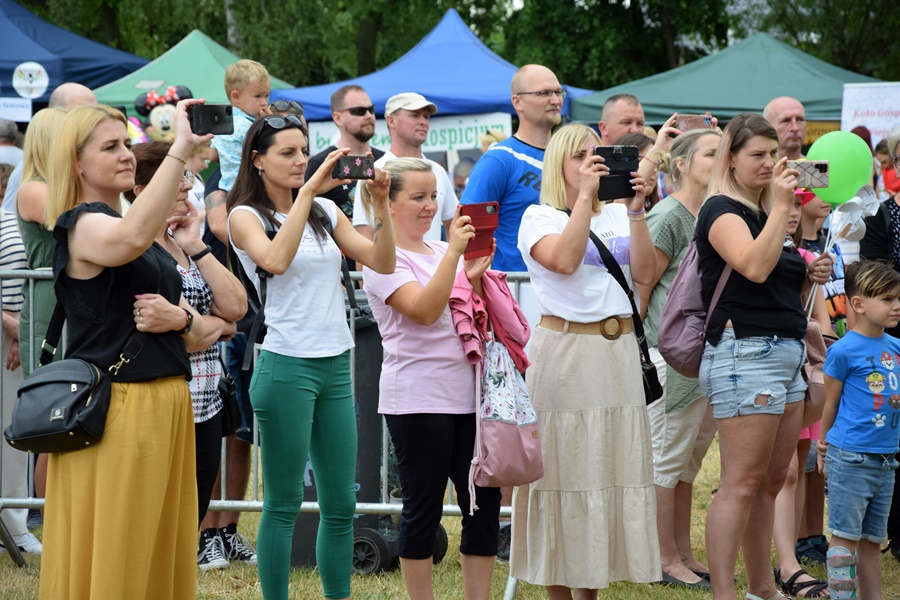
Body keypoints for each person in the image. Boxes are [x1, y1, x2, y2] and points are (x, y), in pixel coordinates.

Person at [40, 101, 211, 599]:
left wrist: (179, 318)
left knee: (160, 546)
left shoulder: (140, 235)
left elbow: (204, 331)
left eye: (125, 144)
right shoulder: (83, 224)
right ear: (76, 162)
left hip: (166, 401)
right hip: (119, 409)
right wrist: (180, 146)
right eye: (109, 147)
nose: (125, 156)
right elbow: (130, 235)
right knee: (122, 548)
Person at [227, 113, 396, 600]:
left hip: (334, 365)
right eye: (287, 153)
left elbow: (381, 262)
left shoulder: (325, 210)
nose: (301, 161)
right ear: (257, 161)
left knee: (342, 504)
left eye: (304, 150)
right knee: (281, 504)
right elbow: (275, 261)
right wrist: (306, 196)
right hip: (285, 365)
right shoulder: (245, 216)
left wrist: (380, 206)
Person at [511, 123, 660, 597]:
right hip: (568, 356)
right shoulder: (539, 216)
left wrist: (636, 211)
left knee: (607, 472)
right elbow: (564, 261)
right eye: (579, 156)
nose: (590, 163)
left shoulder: (617, 214)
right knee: (565, 476)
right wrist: (583, 200)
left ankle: (592, 589)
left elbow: (645, 273)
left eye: (597, 154)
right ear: (558, 164)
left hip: (616, 356)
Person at [695, 113, 830, 600]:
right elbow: (752, 266)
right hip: (744, 353)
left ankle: (762, 589)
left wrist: (809, 272)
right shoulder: (721, 210)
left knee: (774, 480)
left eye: (774, 154)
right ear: (730, 158)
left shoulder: (761, 211)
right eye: (757, 155)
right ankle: (725, 595)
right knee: (741, 482)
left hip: (784, 352)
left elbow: (773, 278)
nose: (770, 164)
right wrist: (781, 206)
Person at [362, 157, 504, 599]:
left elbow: (468, 315)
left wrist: (476, 278)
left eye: (434, 196)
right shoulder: (382, 259)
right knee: (422, 508)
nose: (430, 207)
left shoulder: (445, 252)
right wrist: (458, 258)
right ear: (388, 203)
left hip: (469, 395)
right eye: (417, 197)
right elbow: (423, 312)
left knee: (483, 507)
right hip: (418, 398)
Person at [126, 141, 247, 531]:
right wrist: (220, 328)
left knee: (191, 517)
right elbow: (194, 335)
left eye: (186, 177)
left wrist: (195, 244)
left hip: (206, 403)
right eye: (176, 179)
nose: (187, 186)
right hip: (166, 402)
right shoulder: (138, 248)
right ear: (143, 191)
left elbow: (237, 308)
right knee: (159, 522)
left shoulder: (181, 241)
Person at [636, 129, 721, 590]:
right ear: (682, 164)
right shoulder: (667, 215)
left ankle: (682, 550)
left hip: (700, 358)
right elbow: (644, 289)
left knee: (688, 462)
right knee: (666, 461)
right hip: (669, 356)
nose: (720, 159)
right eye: (711, 152)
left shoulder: (711, 212)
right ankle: (663, 558)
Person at [817, 259, 900, 600]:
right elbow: (831, 403)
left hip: (886, 460)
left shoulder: (895, 348)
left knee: (872, 541)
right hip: (850, 457)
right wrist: (822, 444)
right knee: (844, 541)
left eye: (898, 298)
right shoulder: (842, 350)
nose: (896, 306)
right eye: (888, 299)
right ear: (858, 304)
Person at [462, 64, 562, 272]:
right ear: (518, 101)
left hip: (566, 290)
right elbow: (467, 227)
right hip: (517, 292)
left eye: (558, 92)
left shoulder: (568, 157)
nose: (555, 100)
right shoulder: (499, 160)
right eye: (544, 93)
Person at [352, 92, 456, 241]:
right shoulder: (375, 171)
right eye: (415, 115)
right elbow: (365, 235)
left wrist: (456, 262)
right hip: (394, 264)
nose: (423, 122)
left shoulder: (437, 170)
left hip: (438, 264)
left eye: (426, 117)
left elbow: (453, 225)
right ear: (391, 120)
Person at [0, 206, 42, 556]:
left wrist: (15, 325)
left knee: (9, 432)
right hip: (8, 327)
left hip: (8, 334)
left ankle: (13, 526)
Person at [3, 82, 97, 212]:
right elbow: (10, 222)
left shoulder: (91, 161)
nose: (90, 121)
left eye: (94, 113)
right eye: (80, 114)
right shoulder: (28, 172)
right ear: (56, 115)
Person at [305, 85, 385, 218]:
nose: (368, 115)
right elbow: (311, 220)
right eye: (359, 111)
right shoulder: (321, 163)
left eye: (371, 110)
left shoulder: (386, 160)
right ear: (338, 118)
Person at [210, 59, 271, 194]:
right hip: (251, 189)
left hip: (229, 190)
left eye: (266, 96)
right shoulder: (250, 126)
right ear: (236, 97)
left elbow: (213, 155)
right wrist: (271, 125)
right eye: (258, 96)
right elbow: (270, 153)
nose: (264, 102)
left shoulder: (222, 123)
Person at [763, 96, 807, 161]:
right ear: (767, 127)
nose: (795, 128)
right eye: (786, 120)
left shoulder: (818, 169)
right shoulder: (756, 169)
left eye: (800, 119)